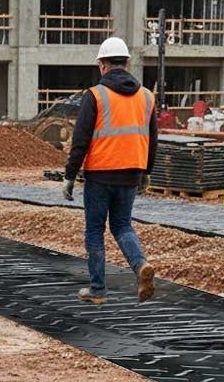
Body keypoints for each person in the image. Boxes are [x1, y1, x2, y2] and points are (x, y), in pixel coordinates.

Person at [64, 37, 157, 305]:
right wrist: (146, 172)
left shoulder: (95, 95)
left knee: (94, 230)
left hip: (100, 174)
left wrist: (70, 175)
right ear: (126, 63)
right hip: (130, 174)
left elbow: (80, 139)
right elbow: (152, 139)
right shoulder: (146, 97)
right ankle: (140, 266)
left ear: (103, 65)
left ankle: (98, 290)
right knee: (122, 225)